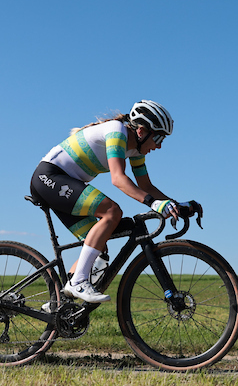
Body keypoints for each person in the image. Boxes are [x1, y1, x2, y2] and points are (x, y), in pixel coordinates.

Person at [30, 100, 181, 304]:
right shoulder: (116, 131)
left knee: (99, 247)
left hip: (64, 184)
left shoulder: (135, 150)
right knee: (112, 212)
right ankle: (79, 282)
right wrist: (154, 204)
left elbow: (145, 185)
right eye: (159, 137)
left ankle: (61, 305)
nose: (160, 145)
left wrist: (176, 205)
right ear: (142, 131)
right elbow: (118, 179)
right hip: (49, 177)